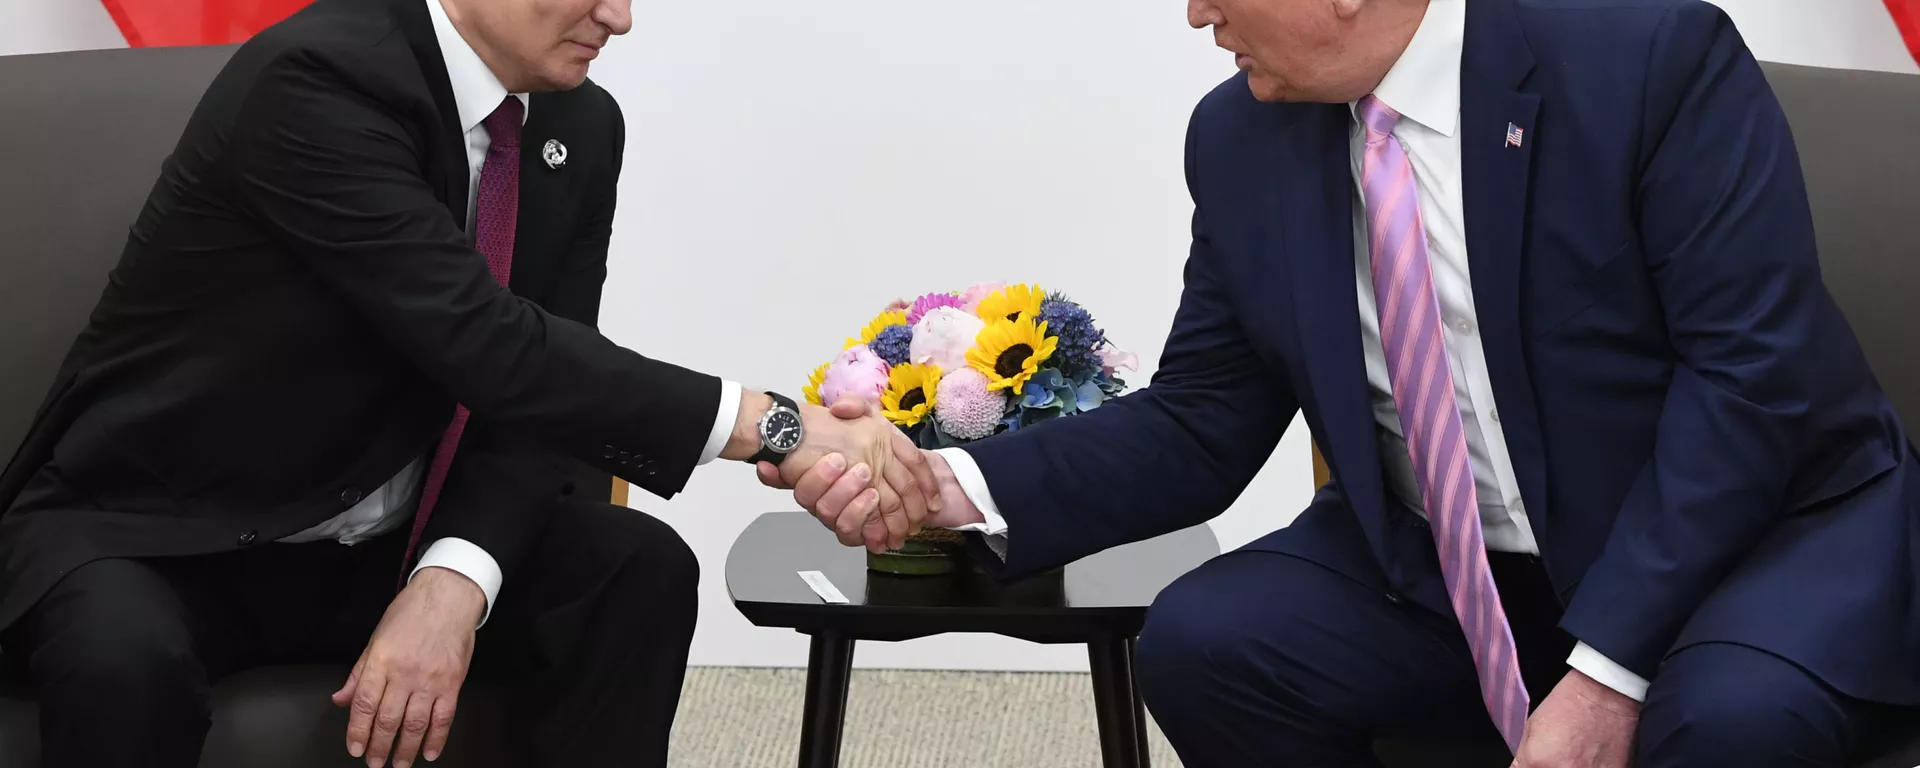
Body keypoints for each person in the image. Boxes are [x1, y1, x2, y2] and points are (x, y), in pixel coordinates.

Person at [772, 0, 1920, 765]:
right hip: (1462, 567)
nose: (1196, 12)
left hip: (1748, 539)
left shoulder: (1645, 57)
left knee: (1719, 725)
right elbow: (1200, 421)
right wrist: (947, 486)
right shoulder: (1240, 139)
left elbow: (1748, 382)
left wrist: (1607, 671)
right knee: (1211, 643)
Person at [0, 0, 939, 765]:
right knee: (121, 662)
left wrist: (453, 580)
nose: (619, 17)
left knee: (634, 572)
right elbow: (491, 344)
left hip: (378, 537)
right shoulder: (316, 80)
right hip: (167, 534)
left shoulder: (580, 123)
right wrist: (779, 428)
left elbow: (542, 392)